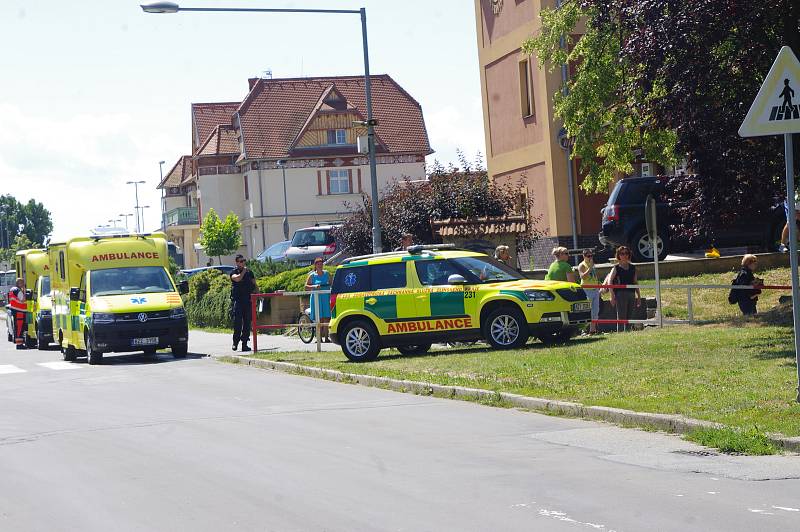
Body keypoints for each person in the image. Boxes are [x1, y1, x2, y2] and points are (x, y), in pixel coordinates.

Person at [608, 246, 640, 332]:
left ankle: (628, 334)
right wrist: (612, 296)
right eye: (622, 253)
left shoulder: (633, 267)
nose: (624, 255)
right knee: (621, 317)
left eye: (626, 253)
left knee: (630, 316)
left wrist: (639, 296)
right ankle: (621, 334)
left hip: (631, 294)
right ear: (618, 255)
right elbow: (609, 281)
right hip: (620, 294)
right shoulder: (616, 268)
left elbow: (635, 282)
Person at [230, 254, 256, 351]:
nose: (243, 262)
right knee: (237, 323)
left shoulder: (250, 272)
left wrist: (258, 294)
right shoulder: (234, 272)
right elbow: (237, 279)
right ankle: (235, 343)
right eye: (240, 261)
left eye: (244, 260)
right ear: (236, 262)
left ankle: (244, 343)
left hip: (248, 301)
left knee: (247, 323)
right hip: (238, 301)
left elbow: (254, 283)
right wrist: (244, 271)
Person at [305, 257, 332, 342]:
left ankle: (327, 338)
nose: (320, 266)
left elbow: (332, 284)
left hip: (325, 297)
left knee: (326, 317)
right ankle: (319, 338)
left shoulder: (327, 273)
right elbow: (306, 287)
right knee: (319, 318)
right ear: (315, 265)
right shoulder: (312, 275)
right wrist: (314, 286)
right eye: (318, 264)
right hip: (316, 298)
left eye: (321, 264)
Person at [577, 249, 600, 334]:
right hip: (587, 290)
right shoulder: (581, 265)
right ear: (584, 256)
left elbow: (595, 275)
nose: (590, 257)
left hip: (595, 289)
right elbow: (582, 277)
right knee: (586, 310)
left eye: (591, 255)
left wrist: (598, 283)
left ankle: (592, 330)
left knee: (595, 310)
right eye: (588, 256)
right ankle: (583, 330)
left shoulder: (592, 265)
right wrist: (589, 268)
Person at [8, 278, 27, 349]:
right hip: (20, 311)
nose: (23, 284)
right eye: (22, 283)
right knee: (19, 328)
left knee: (17, 328)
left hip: (15, 311)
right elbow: (23, 299)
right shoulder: (18, 290)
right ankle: (19, 345)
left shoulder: (12, 290)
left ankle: (19, 343)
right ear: (19, 283)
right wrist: (24, 291)